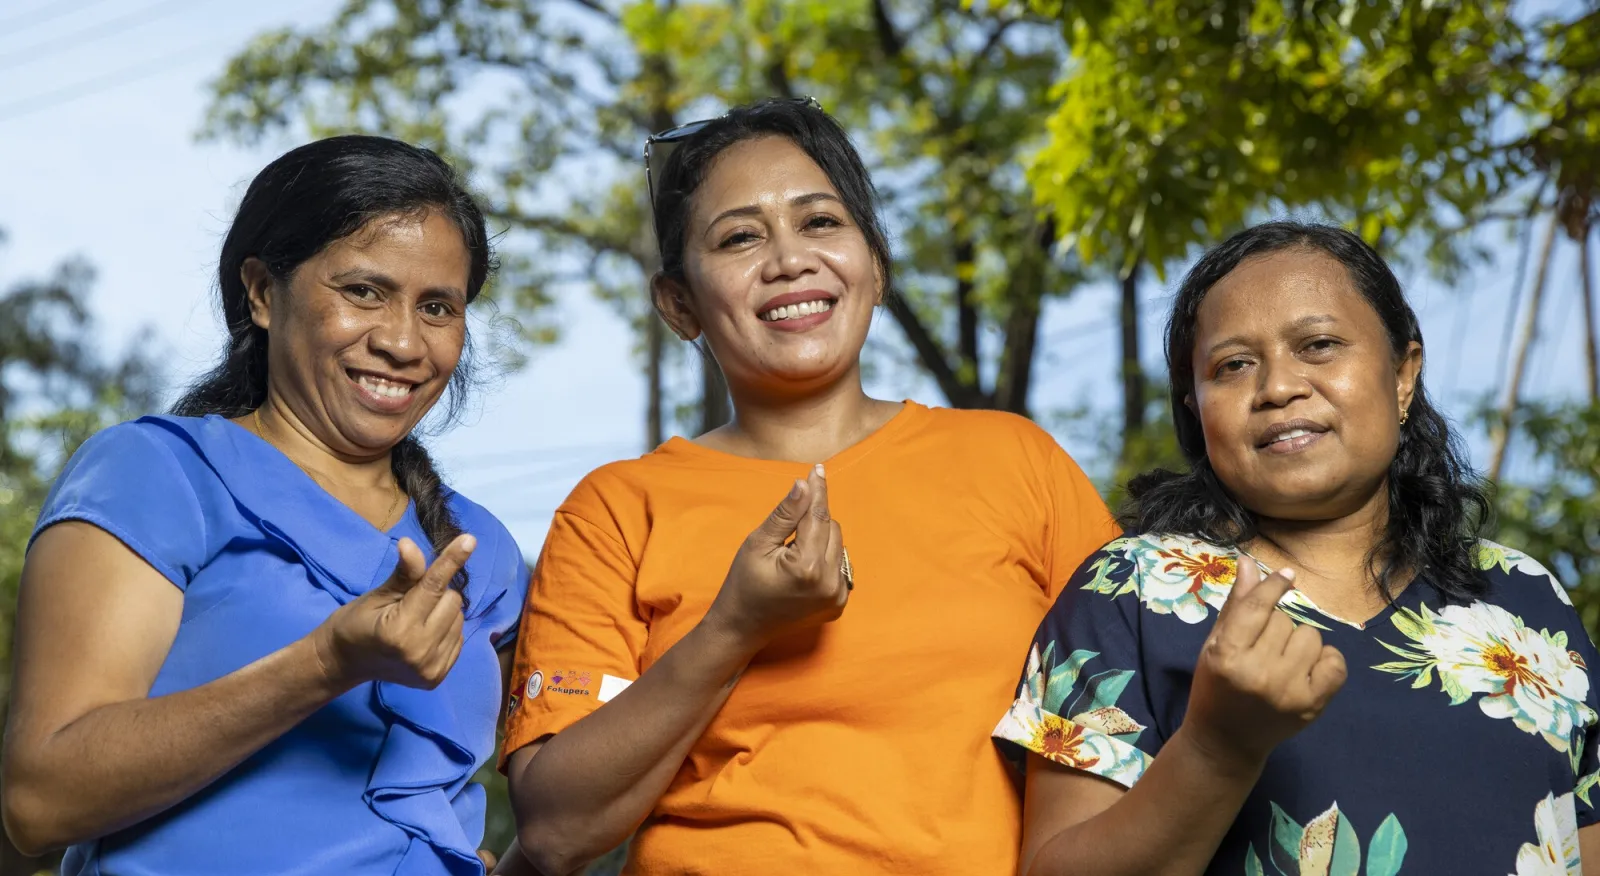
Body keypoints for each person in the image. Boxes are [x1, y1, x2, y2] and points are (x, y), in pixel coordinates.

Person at [494, 97, 1117, 875]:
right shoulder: (617, 509)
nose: (789, 259)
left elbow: (1131, 733)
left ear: (876, 267)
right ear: (679, 304)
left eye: (820, 222)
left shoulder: (1019, 462)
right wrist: (734, 628)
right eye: (740, 237)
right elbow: (554, 830)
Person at [998, 220, 1600, 875]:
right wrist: (1216, 747)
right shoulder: (1128, 595)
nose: (1278, 387)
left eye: (1318, 344)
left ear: (1403, 374)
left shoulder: (1526, 595)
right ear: (1196, 408)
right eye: (1233, 365)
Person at [2, 135, 529, 875]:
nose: (405, 341)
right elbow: (39, 802)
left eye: (437, 306)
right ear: (260, 292)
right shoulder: (158, 474)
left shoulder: (481, 549)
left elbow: (514, 806)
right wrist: (327, 662)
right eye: (364, 291)